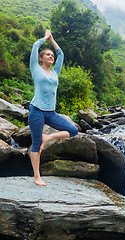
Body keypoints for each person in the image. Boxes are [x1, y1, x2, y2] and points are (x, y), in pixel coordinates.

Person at [28, 29, 78, 186]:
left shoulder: (55, 72)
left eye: (52, 55)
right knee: (36, 146)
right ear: (41, 58)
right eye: (48, 55)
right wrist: (45, 38)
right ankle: (37, 176)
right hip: (36, 111)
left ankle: (47, 138)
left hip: (51, 113)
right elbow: (36, 45)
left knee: (73, 131)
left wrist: (52, 39)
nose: (51, 57)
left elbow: (61, 54)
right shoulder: (35, 68)